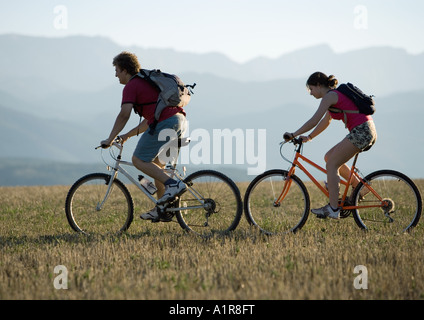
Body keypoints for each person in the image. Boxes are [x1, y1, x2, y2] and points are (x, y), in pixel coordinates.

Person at [101, 51, 187, 221]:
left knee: (138, 160)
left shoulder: (131, 86)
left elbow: (124, 114)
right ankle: (162, 209)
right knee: (156, 167)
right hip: (179, 121)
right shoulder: (145, 82)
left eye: (117, 70)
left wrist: (110, 139)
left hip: (166, 123)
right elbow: (148, 121)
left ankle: (174, 185)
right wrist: (126, 136)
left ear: (125, 70)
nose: (115, 75)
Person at [284, 72, 377, 219]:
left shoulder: (330, 97)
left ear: (319, 85)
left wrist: (293, 134)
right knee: (329, 157)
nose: (310, 93)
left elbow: (314, 120)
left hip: (362, 131)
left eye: (311, 89)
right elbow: (325, 122)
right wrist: (309, 137)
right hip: (365, 129)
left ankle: (333, 208)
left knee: (332, 165)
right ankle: (360, 186)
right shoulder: (334, 96)